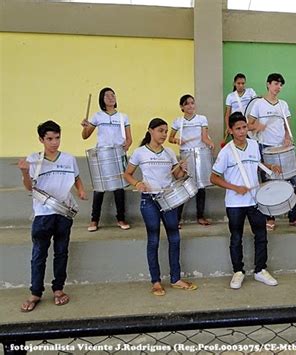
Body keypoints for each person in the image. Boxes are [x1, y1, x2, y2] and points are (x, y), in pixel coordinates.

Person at [18, 120, 87, 312]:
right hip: (43, 213)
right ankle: (35, 292)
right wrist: (25, 172)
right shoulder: (34, 159)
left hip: (64, 211)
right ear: (41, 139)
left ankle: (58, 289)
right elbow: (29, 188)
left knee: (61, 252)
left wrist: (81, 190)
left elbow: (76, 178)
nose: (54, 142)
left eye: (57, 138)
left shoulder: (68, 159)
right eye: (49, 139)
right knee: (39, 254)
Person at [124, 118, 198, 296]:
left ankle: (175, 279)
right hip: (148, 200)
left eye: (166, 131)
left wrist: (183, 168)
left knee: (175, 238)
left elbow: (177, 176)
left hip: (168, 199)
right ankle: (155, 281)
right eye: (160, 131)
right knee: (154, 240)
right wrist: (138, 183)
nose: (164, 134)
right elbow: (127, 174)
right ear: (150, 131)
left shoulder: (170, 153)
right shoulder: (140, 152)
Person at [210, 112, 281, 289]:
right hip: (235, 203)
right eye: (238, 129)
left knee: (261, 235)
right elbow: (214, 177)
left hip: (255, 200)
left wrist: (271, 167)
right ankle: (238, 272)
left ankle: (260, 270)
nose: (242, 131)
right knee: (236, 237)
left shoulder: (254, 145)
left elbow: (259, 165)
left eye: (244, 127)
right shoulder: (226, 151)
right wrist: (235, 188)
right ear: (231, 130)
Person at [247, 73, 296, 231]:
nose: (278, 87)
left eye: (280, 85)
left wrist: (288, 138)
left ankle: (293, 216)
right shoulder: (258, 104)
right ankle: (270, 218)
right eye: (275, 84)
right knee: (268, 183)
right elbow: (248, 125)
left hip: (282, 149)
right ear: (268, 84)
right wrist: (256, 126)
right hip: (264, 147)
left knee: (292, 181)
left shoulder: (283, 104)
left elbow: (287, 125)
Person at [81, 87, 132, 232]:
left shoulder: (123, 117)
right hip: (102, 154)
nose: (111, 97)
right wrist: (85, 127)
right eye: (107, 95)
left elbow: (129, 139)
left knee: (119, 187)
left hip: (117, 153)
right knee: (99, 188)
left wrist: (126, 146)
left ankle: (121, 218)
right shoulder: (97, 116)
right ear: (102, 100)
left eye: (113, 95)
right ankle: (94, 220)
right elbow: (85, 136)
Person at [169, 94, 214, 228]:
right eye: (187, 103)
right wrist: (177, 140)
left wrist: (210, 143)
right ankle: (176, 219)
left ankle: (200, 216)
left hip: (200, 153)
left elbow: (204, 137)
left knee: (201, 187)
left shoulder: (202, 119)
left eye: (192, 103)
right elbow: (170, 138)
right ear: (182, 107)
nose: (190, 106)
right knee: (184, 185)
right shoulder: (178, 122)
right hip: (186, 155)